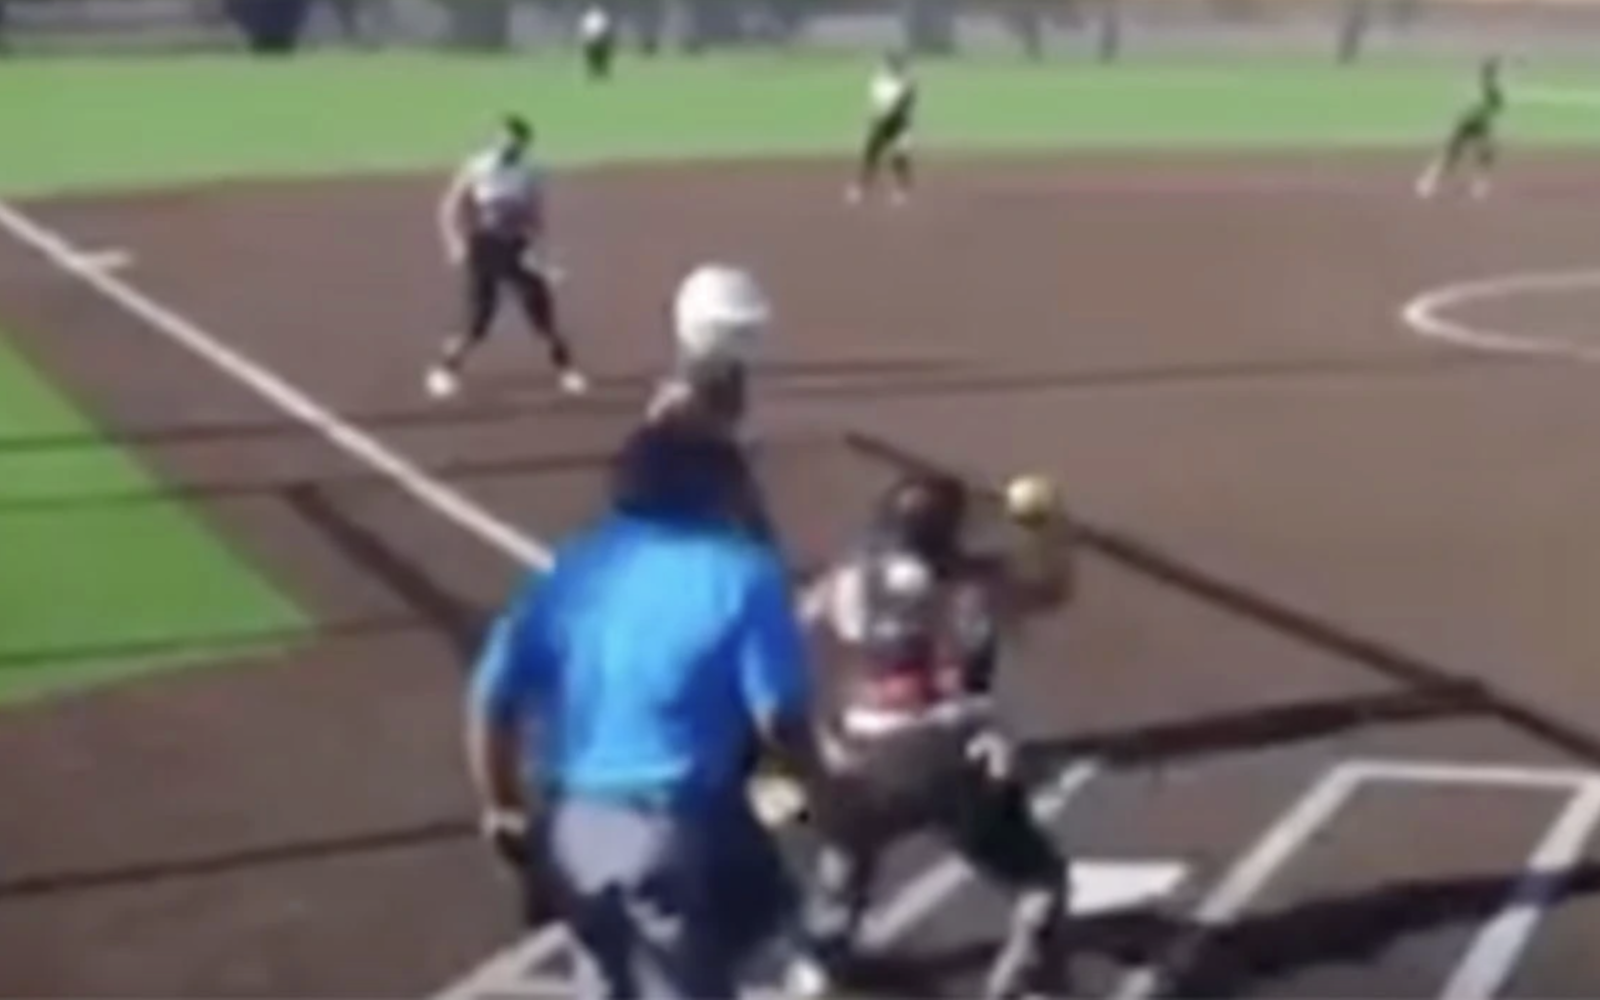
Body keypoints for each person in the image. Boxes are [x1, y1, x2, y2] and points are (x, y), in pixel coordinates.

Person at [464, 421, 829, 1000]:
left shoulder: (574, 568)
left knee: (612, 967)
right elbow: (779, 721)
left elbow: (492, 697)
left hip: (573, 824)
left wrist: (502, 807)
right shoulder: (743, 574)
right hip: (675, 825)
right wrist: (811, 795)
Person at [784, 470, 1079, 1000]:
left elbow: (791, 631)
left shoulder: (850, 578)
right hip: (951, 754)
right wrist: (1051, 532)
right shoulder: (974, 584)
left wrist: (820, 734)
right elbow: (1052, 590)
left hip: (864, 753)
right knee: (1042, 882)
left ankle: (817, 967)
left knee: (847, 856)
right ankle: (1023, 979)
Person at [428, 114, 588, 401]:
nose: (508, 145)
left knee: (541, 313)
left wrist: (541, 249)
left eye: (514, 141)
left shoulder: (531, 171)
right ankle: (445, 369)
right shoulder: (478, 166)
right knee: (477, 320)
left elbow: (536, 213)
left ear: (523, 144)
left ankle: (567, 370)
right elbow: (451, 205)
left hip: (518, 247)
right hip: (484, 248)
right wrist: (455, 242)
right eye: (504, 139)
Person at [1416, 56, 1505, 201]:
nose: (1493, 73)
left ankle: (1479, 184)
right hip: (1466, 122)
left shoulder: (1493, 89)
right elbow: (1486, 105)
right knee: (1453, 155)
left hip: (1480, 124)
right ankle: (1428, 181)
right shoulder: (1484, 86)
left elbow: (1495, 107)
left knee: (1486, 153)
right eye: (1492, 70)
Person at [847, 51, 918, 206]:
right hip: (881, 123)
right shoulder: (879, 82)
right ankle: (861, 188)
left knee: (899, 159)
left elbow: (905, 105)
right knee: (871, 156)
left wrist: (890, 114)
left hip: (899, 124)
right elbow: (874, 104)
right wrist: (873, 118)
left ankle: (902, 190)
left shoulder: (906, 84)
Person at [579, 3, 617, 81]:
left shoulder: (596, 17)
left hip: (597, 40)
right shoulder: (591, 17)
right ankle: (596, 74)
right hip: (594, 40)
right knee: (595, 59)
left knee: (599, 59)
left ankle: (600, 74)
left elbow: (604, 28)